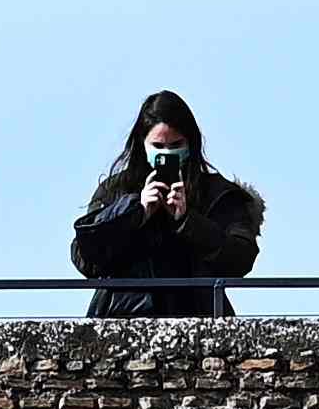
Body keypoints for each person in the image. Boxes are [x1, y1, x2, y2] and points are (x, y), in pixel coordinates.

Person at [72, 89, 265, 318]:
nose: (167, 153)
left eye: (176, 145)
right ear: (142, 144)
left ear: (191, 143)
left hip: (197, 317)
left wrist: (188, 221)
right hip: (123, 315)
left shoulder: (218, 193)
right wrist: (134, 212)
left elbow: (241, 258)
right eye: (158, 146)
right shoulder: (115, 190)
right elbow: (84, 257)